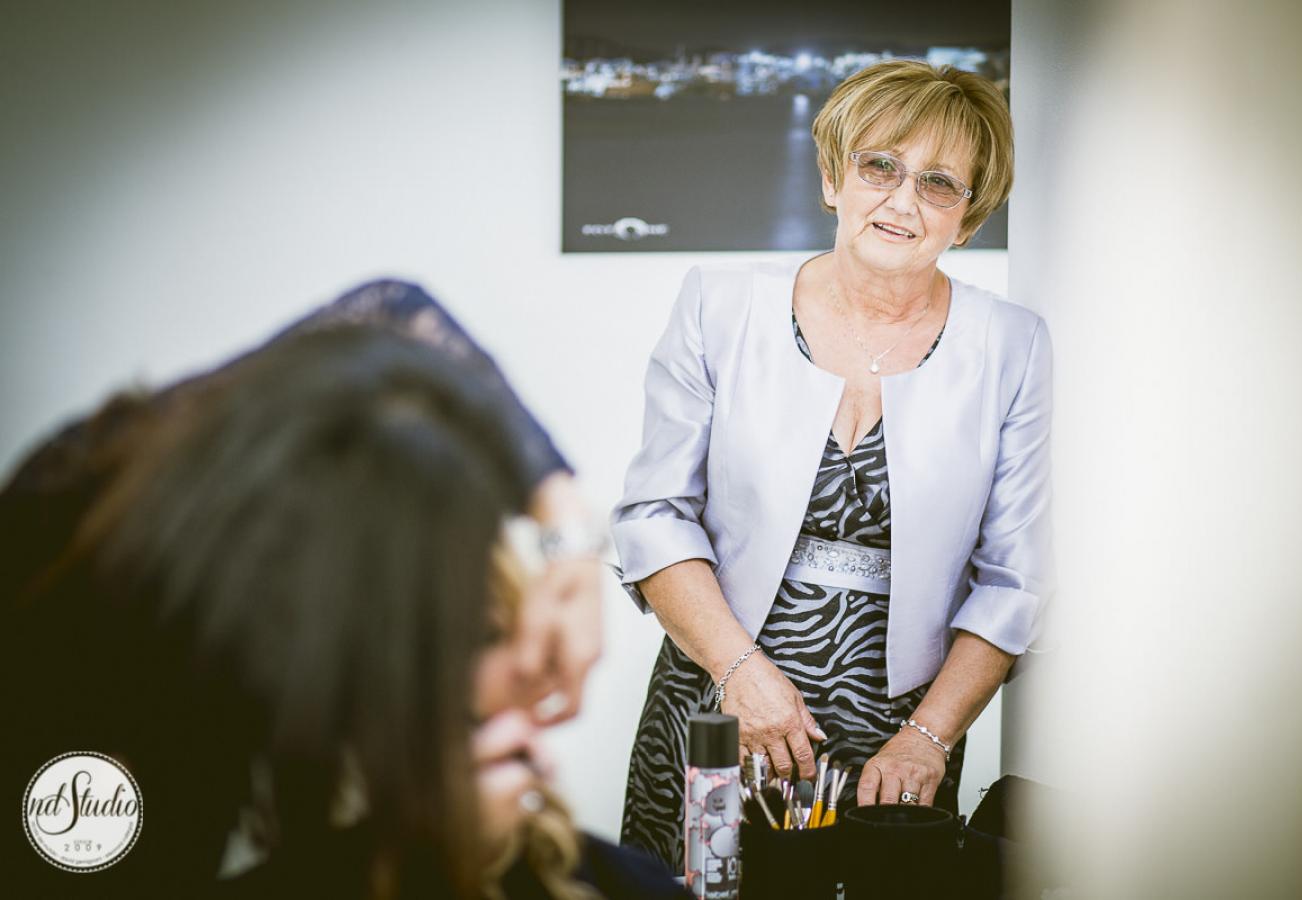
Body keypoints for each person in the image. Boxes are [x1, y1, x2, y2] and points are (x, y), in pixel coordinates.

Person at [2, 283, 682, 898]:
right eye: (455, 642)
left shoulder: (264, 432)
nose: (523, 678)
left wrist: (566, 524)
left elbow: (394, 310)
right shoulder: (97, 678)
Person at [614, 60, 1053, 870]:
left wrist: (929, 737)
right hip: (718, 694)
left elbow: (1014, 580)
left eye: (939, 182)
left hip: (901, 734)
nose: (901, 200)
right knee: (694, 885)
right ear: (832, 177)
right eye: (879, 165)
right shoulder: (719, 304)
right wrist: (739, 674)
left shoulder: (1012, 345)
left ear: (970, 215)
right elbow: (653, 516)